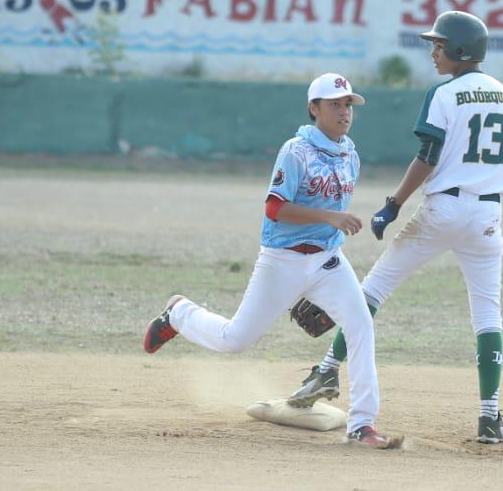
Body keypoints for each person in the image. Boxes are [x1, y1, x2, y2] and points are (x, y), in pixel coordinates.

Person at [283, 10, 503, 444]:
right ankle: (489, 418)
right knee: (488, 312)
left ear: (459, 50)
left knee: (373, 290)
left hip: (443, 211)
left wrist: (393, 204)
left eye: (439, 45)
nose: (433, 52)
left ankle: (325, 372)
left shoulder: (444, 93)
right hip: (488, 217)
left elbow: (428, 157)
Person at [141, 73, 392, 448]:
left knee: (360, 325)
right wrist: (330, 218)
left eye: (348, 105)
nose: (344, 112)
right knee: (235, 339)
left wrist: (328, 243)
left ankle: (362, 424)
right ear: (314, 108)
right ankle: (178, 313)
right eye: (334, 104)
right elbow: (275, 208)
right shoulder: (296, 150)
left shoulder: (349, 154)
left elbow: (331, 214)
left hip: (327, 261)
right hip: (282, 261)